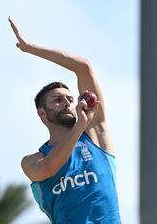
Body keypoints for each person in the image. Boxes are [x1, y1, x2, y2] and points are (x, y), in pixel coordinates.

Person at [9, 17, 122, 224]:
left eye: (70, 99)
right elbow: (49, 167)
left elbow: (84, 67)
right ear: (42, 114)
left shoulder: (96, 135)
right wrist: (79, 125)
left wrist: (31, 48)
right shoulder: (32, 161)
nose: (68, 104)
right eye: (58, 100)